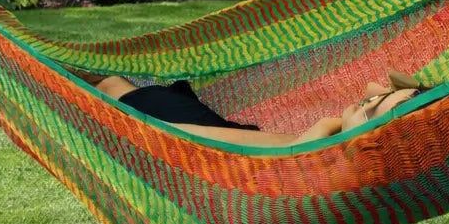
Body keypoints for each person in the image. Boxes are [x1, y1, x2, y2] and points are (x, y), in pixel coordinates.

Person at [87, 69, 429, 147]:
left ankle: (46, 77)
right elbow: (384, 85)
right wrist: (401, 95)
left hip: (180, 130)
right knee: (114, 83)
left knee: (109, 85)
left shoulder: (316, 148)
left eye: (371, 107)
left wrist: (138, 126)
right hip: (216, 127)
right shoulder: (347, 138)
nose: (368, 97)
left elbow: (193, 138)